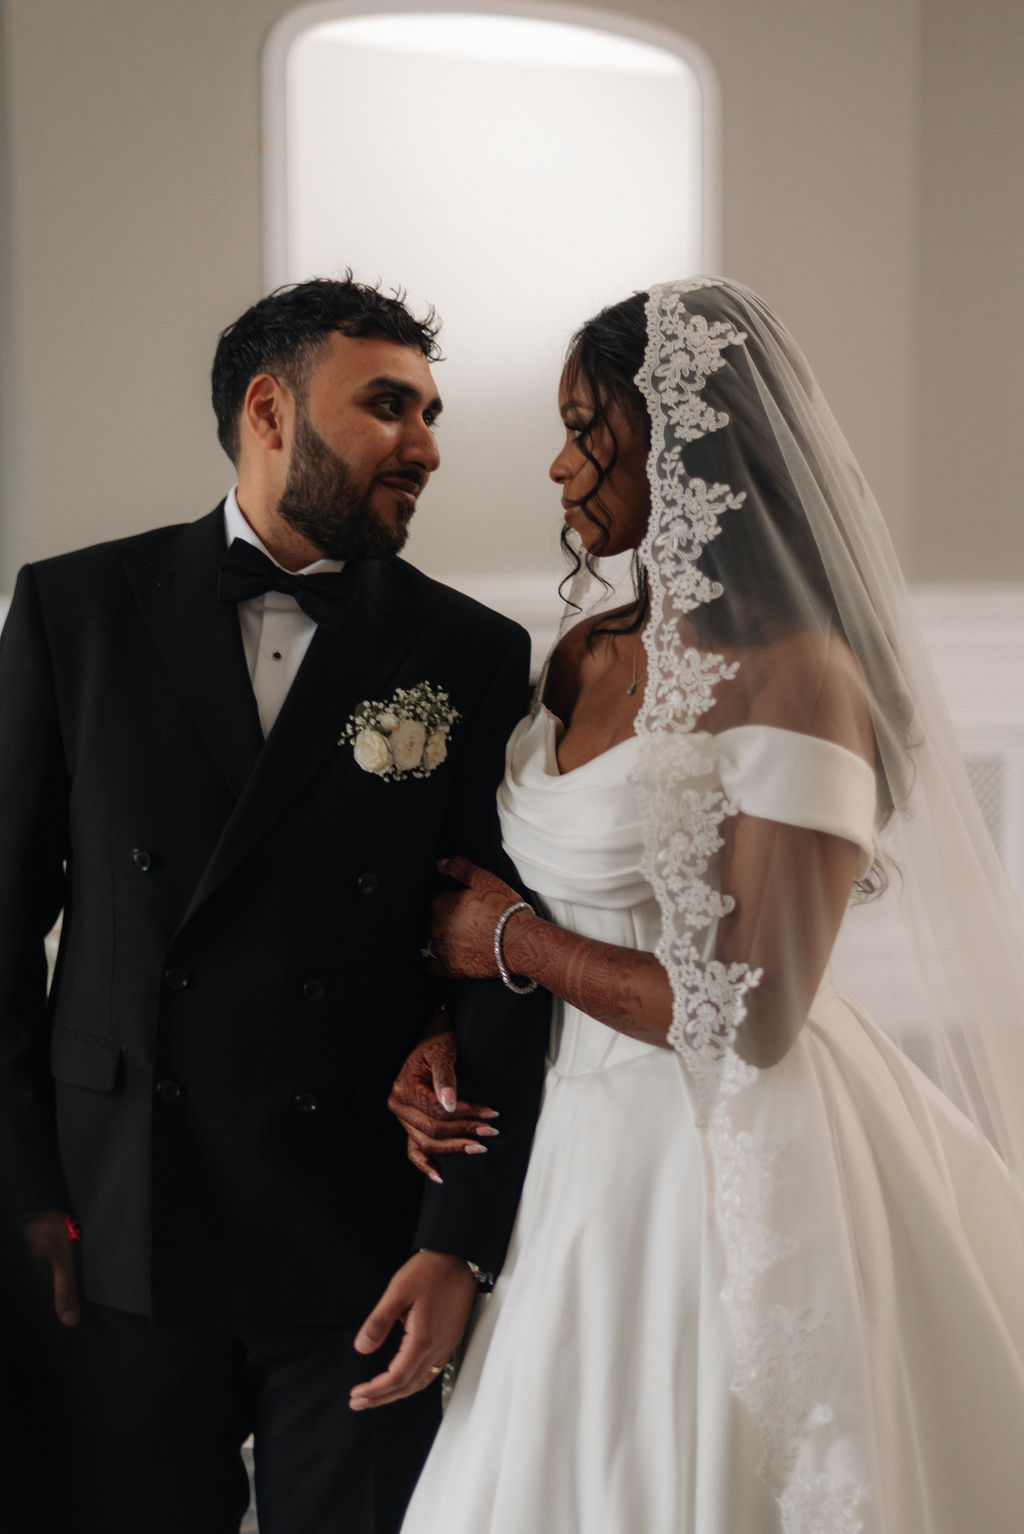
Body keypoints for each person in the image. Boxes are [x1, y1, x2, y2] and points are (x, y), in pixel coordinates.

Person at [389, 278, 1024, 1532]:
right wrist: (449, 1032)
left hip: (721, 1152)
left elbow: (755, 1015)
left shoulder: (800, 678)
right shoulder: (585, 654)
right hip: (569, 1138)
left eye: (589, 429)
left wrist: (510, 940)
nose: (563, 468)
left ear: (682, 442)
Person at [0, 276, 548, 1534]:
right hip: (120, 1223)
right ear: (269, 408)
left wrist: (458, 1236)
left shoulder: (467, 654)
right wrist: (24, 1196)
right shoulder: (75, 612)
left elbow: (494, 956)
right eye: (389, 406)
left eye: (430, 410)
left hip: (358, 1236)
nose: (427, 443)